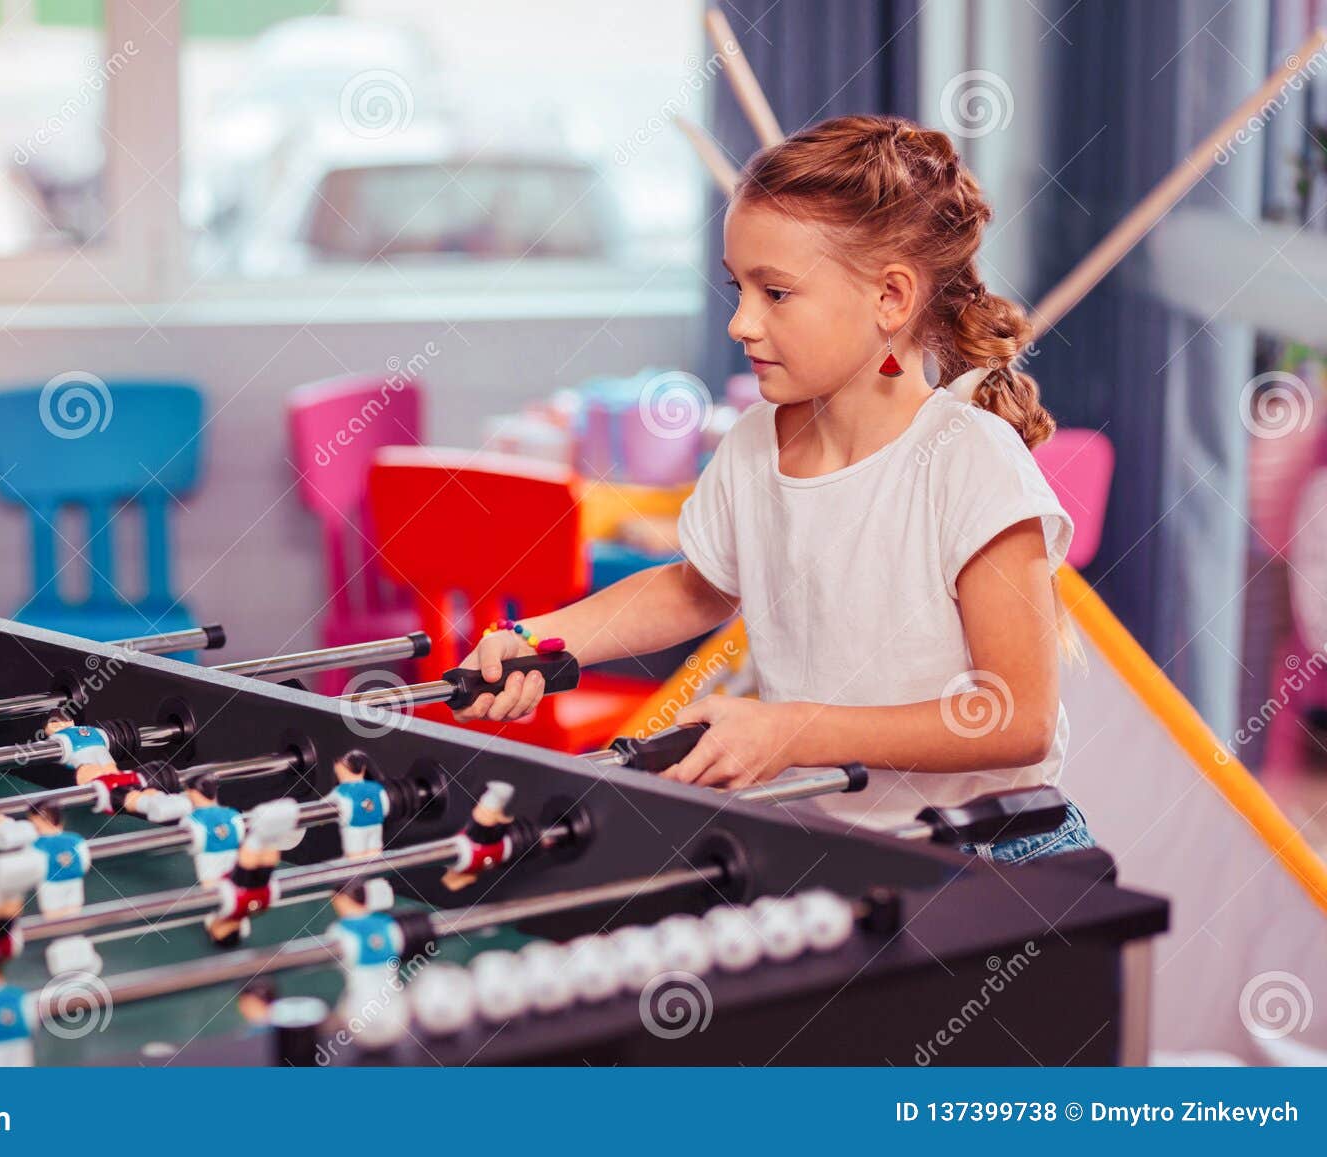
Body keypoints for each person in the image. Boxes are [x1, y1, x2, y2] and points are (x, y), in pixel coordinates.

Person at [453, 115, 1094, 865]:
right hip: (847, 849)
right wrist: (538, 638)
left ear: (891, 298)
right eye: (738, 287)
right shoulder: (756, 443)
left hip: (993, 854)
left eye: (776, 293)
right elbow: (696, 592)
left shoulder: (969, 459)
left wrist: (790, 729)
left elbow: (1018, 718)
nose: (740, 322)